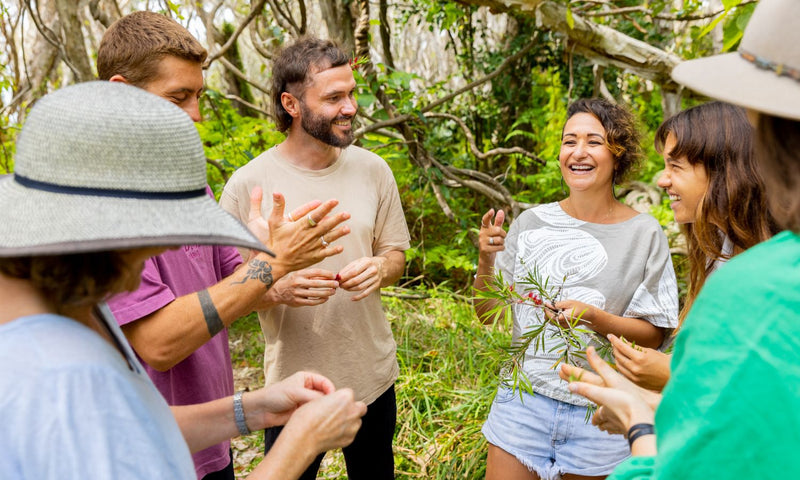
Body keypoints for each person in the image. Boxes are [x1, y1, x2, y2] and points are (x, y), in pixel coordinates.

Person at [0, 81, 366, 479]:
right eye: (141, 254)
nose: (133, 283)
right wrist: (299, 445)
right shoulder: (60, 375)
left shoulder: (65, 317)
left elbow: (132, 428)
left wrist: (255, 408)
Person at [97, 13, 352, 479]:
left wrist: (274, 261)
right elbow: (158, 341)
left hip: (208, 435)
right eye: (178, 98)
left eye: (198, 96)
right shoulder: (102, 195)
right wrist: (271, 270)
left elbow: (227, 279)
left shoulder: (188, 180)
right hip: (141, 455)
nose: (195, 115)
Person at [563, 0, 800, 478]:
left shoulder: (757, 286)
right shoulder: (727, 261)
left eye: (676, 166)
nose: (665, 181)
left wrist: (640, 419)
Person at [219, 37, 410, 479]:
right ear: (291, 103)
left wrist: (381, 268)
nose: (351, 107)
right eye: (334, 97)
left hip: (372, 379)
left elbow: (395, 255)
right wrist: (275, 287)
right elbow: (224, 295)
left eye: (352, 93)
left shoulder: (373, 169)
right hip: (289, 387)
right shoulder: (249, 185)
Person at [473, 98, 679, 480]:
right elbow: (488, 312)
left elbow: (655, 336)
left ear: (618, 155)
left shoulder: (645, 233)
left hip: (600, 408)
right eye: (570, 141)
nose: (578, 152)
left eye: (594, 142)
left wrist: (596, 318)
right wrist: (486, 259)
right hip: (523, 402)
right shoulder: (531, 223)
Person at [609, 101, 777, 391]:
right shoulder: (719, 252)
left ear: (725, 172)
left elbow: (770, 385)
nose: (662, 180)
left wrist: (674, 374)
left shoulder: (776, 267)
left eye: (676, 166)